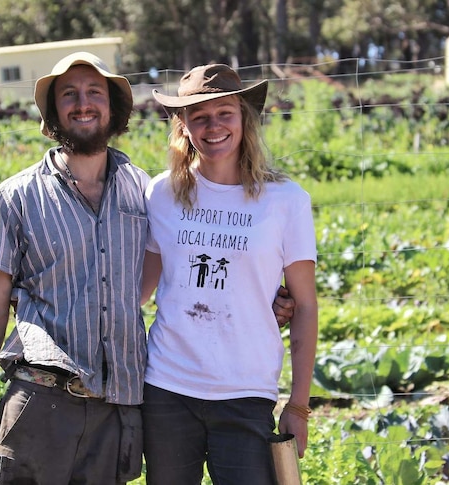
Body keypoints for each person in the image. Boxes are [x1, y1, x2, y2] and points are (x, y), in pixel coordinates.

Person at [0, 51, 150, 483]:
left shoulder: (143, 190)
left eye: (95, 92)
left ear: (112, 108)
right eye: (69, 95)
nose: (83, 103)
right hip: (41, 405)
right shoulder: (17, 196)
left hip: (117, 409)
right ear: (52, 114)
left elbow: (182, 260)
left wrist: (270, 298)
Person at [140, 64, 319, 484]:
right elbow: (139, 291)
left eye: (225, 113)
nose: (213, 126)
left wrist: (297, 405)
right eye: (199, 116)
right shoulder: (161, 194)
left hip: (246, 391)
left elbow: (306, 305)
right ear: (182, 126)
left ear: (244, 119)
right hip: (167, 387)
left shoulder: (286, 201)